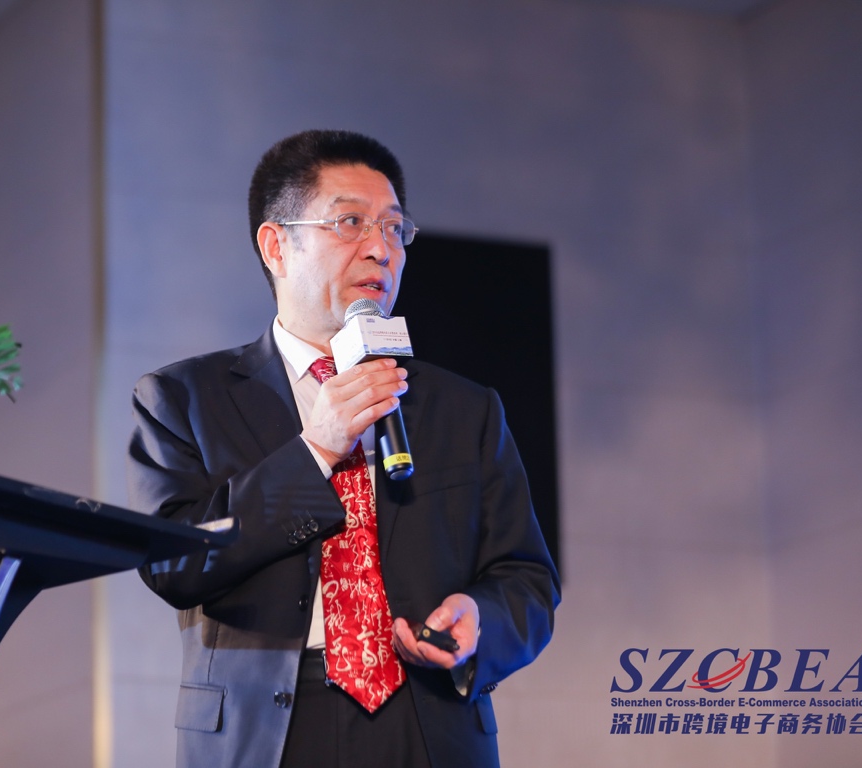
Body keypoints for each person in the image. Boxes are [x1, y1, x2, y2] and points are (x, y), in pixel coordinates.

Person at [128, 129, 559, 768]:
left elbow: (527, 579)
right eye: (350, 222)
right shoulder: (183, 398)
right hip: (267, 731)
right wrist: (316, 450)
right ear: (276, 245)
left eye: (394, 228)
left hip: (429, 720)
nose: (380, 249)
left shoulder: (463, 408)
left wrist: (479, 618)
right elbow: (175, 565)